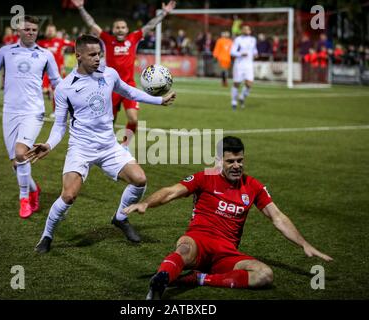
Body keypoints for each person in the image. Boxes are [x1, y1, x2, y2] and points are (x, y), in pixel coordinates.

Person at [124, 136, 333, 300]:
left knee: (264, 275)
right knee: (184, 248)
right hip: (199, 242)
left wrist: (304, 243)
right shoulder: (205, 177)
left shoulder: (253, 186)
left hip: (226, 253)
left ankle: (201, 278)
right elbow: (171, 192)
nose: (236, 166)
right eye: (230, 161)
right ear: (218, 161)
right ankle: (159, 283)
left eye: (240, 160)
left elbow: (277, 217)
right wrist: (146, 203)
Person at [25, 34, 176, 252]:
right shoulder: (65, 87)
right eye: (93, 54)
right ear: (78, 56)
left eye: (100, 54)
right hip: (81, 148)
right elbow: (60, 125)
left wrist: (158, 100)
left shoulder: (109, 73)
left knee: (140, 180)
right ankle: (47, 236)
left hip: (108, 146)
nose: (98, 59)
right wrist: (48, 145)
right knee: (68, 196)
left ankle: (120, 218)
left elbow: (129, 91)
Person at [0, 16, 61, 219]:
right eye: (27, 29)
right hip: (10, 112)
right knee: (17, 162)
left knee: (20, 152)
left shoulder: (45, 55)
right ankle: (34, 189)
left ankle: (24, 198)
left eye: (34, 30)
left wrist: (71, 96)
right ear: (19, 31)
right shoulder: (6, 51)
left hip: (33, 111)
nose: (31, 32)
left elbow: (56, 81)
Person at [71, 0, 176, 147]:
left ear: (127, 29)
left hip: (128, 86)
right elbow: (91, 24)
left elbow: (150, 25)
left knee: (133, 119)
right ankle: (105, 145)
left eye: (123, 27)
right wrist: (81, 8)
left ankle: (125, 147)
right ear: (113, 30)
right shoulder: (107, 40)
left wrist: (164, 13)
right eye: (117, 27)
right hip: (110, 88)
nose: (120, 30)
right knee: (109, 122)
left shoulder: (133, 39)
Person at [38, 24, 75, 117]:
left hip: (58, 72)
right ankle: (36, 109)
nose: (50, 32)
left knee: (58, 93)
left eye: (52, 30)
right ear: (46, 31)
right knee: (41, 90)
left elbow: (74, 44)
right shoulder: (41, 43)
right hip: (45, 71)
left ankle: (57, 111)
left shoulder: (61, 41)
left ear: (55, 32)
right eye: (48, 30)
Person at [230, 25, 257, 110]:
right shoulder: (238, 40)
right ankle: (234, 102)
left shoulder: (253, 39)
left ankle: (242, 97)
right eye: (245, 29)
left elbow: (254, 49)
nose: (247, 30)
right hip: (239, 64)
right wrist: (240, 54)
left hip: (249, 64)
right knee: (236, 83)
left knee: (249, 83)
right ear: (242, 30)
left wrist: (256, 53)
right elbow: (232, 52)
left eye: (248, 29)